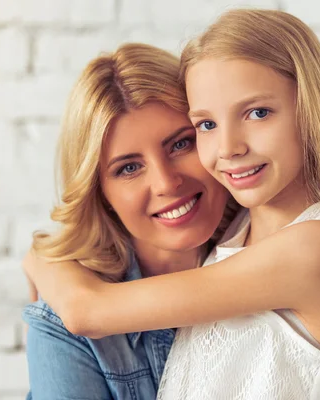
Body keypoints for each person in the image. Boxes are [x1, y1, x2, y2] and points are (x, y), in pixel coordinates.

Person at [24, 9, 320, 400]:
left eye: (257, 112)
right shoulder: (234, 240)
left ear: (311, 111)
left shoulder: (317, 250)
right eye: (206, 125)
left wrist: (40, 260)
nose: (229, 148)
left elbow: (86, 312)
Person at [22, 43, 238, 399]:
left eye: (181, 145)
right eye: (129, 168)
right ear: (99, 193)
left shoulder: (280, 251)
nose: (166, 183)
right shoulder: (61, 325)